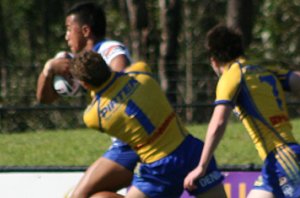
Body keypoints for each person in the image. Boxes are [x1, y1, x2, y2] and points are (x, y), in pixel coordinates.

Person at [69, 50, 227, 198]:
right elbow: (127, 71)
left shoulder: (93, 116)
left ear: (85, 84)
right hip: (191, 151)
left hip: (158, 169)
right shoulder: (140, 71)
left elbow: (101, 99)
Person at [36, 2, 140, 197]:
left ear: (85, 30)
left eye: (68, 29)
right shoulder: (80, 61)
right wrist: (48, 70)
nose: (66, 36)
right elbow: (44, 98)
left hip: (131, 143)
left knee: (77, 196)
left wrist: (91, 79)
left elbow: (121, 72)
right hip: (123, 144)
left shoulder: (109, 49)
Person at [184, 24, 300, 198]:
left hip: (283, 159)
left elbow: (218, 123)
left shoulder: (231, 76)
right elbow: (295, 79)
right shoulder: (263, 69)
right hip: (275, 161)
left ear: (213, 60)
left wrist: (201, 166)